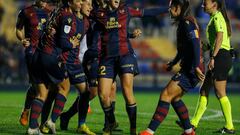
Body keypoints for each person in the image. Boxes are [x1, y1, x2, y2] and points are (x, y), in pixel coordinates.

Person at [59, 0, 142, 131]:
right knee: (92, 93)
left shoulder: (105, 13)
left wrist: (130, 35)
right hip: (95, 55)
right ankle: (68, 116)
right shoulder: (94, 13)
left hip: (106, 56)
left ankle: (108, 125)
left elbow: (113, 29)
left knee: (112, 89)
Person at [92, 0, 169, 134]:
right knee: (103, 95)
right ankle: (112, 122)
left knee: (127, 91)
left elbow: (146, 13)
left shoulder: (125, 10)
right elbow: (83, 13)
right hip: (107, 58)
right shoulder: (99, 13)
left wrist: (167, 9)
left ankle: (133, 130)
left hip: (125, 56)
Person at [139, 0, 205, 135]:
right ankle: (189, 131)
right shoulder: (183, 23)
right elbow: (182, 50)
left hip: (192, 69)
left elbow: (196, 44)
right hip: (190, 67)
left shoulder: (187, 23)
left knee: (166, 94)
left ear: (178, 7)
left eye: (171, 8)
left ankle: (149, 132)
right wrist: (174, 62)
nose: (169, 10)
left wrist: (197, 66)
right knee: (175, 98)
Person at [185, 0, 235, 134]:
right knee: (204, 90)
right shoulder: (215, 17)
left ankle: (229, 126)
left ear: (214, 4)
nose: (202, 5)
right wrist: (205, 47)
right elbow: (217, 41)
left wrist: (213, 57)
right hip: (221, 56)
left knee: (220, 93)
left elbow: (220, 37)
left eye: (205, 3)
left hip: (221, 57)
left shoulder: (217, 17)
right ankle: (193, 124)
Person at [15, 0, 51, 127]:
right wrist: (22, 39)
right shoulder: (25, 12)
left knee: (38, 86)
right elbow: (18, 29)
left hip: (46, 53)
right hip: (32, 52)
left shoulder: (50, 12)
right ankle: (33, 122)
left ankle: (27, 110)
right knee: (40, 88)